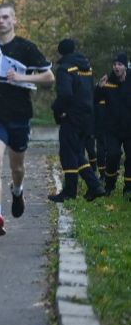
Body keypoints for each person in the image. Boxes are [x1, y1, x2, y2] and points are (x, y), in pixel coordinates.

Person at [0, 4, 54, 236]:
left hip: (20, 114)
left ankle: (18, 190)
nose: (1, 21)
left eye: (5, 17)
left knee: (17, 167)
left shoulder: (26, 47)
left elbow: (49, 76)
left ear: (14, 20)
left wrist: (22, 77)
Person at [48, 39, 105, 202]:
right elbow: (89, 92)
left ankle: (70, 192)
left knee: (68, 153)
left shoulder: (64, 69)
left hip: (72, 117)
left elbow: (65, 94)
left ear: (60, 51)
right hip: (88, 117)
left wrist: (57, 109)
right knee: (77, 153)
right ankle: (95, 186)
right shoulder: (86, 68)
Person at [95, 52, 130, 197]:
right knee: (113, 156)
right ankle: (109, 185)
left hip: (129, 128)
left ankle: (128, 188)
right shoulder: (107, 82)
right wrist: (99, 87)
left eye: (120, 64)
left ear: (125, 66)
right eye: (114, 64)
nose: (116, 67)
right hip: (113, 129)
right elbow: (95, 100)